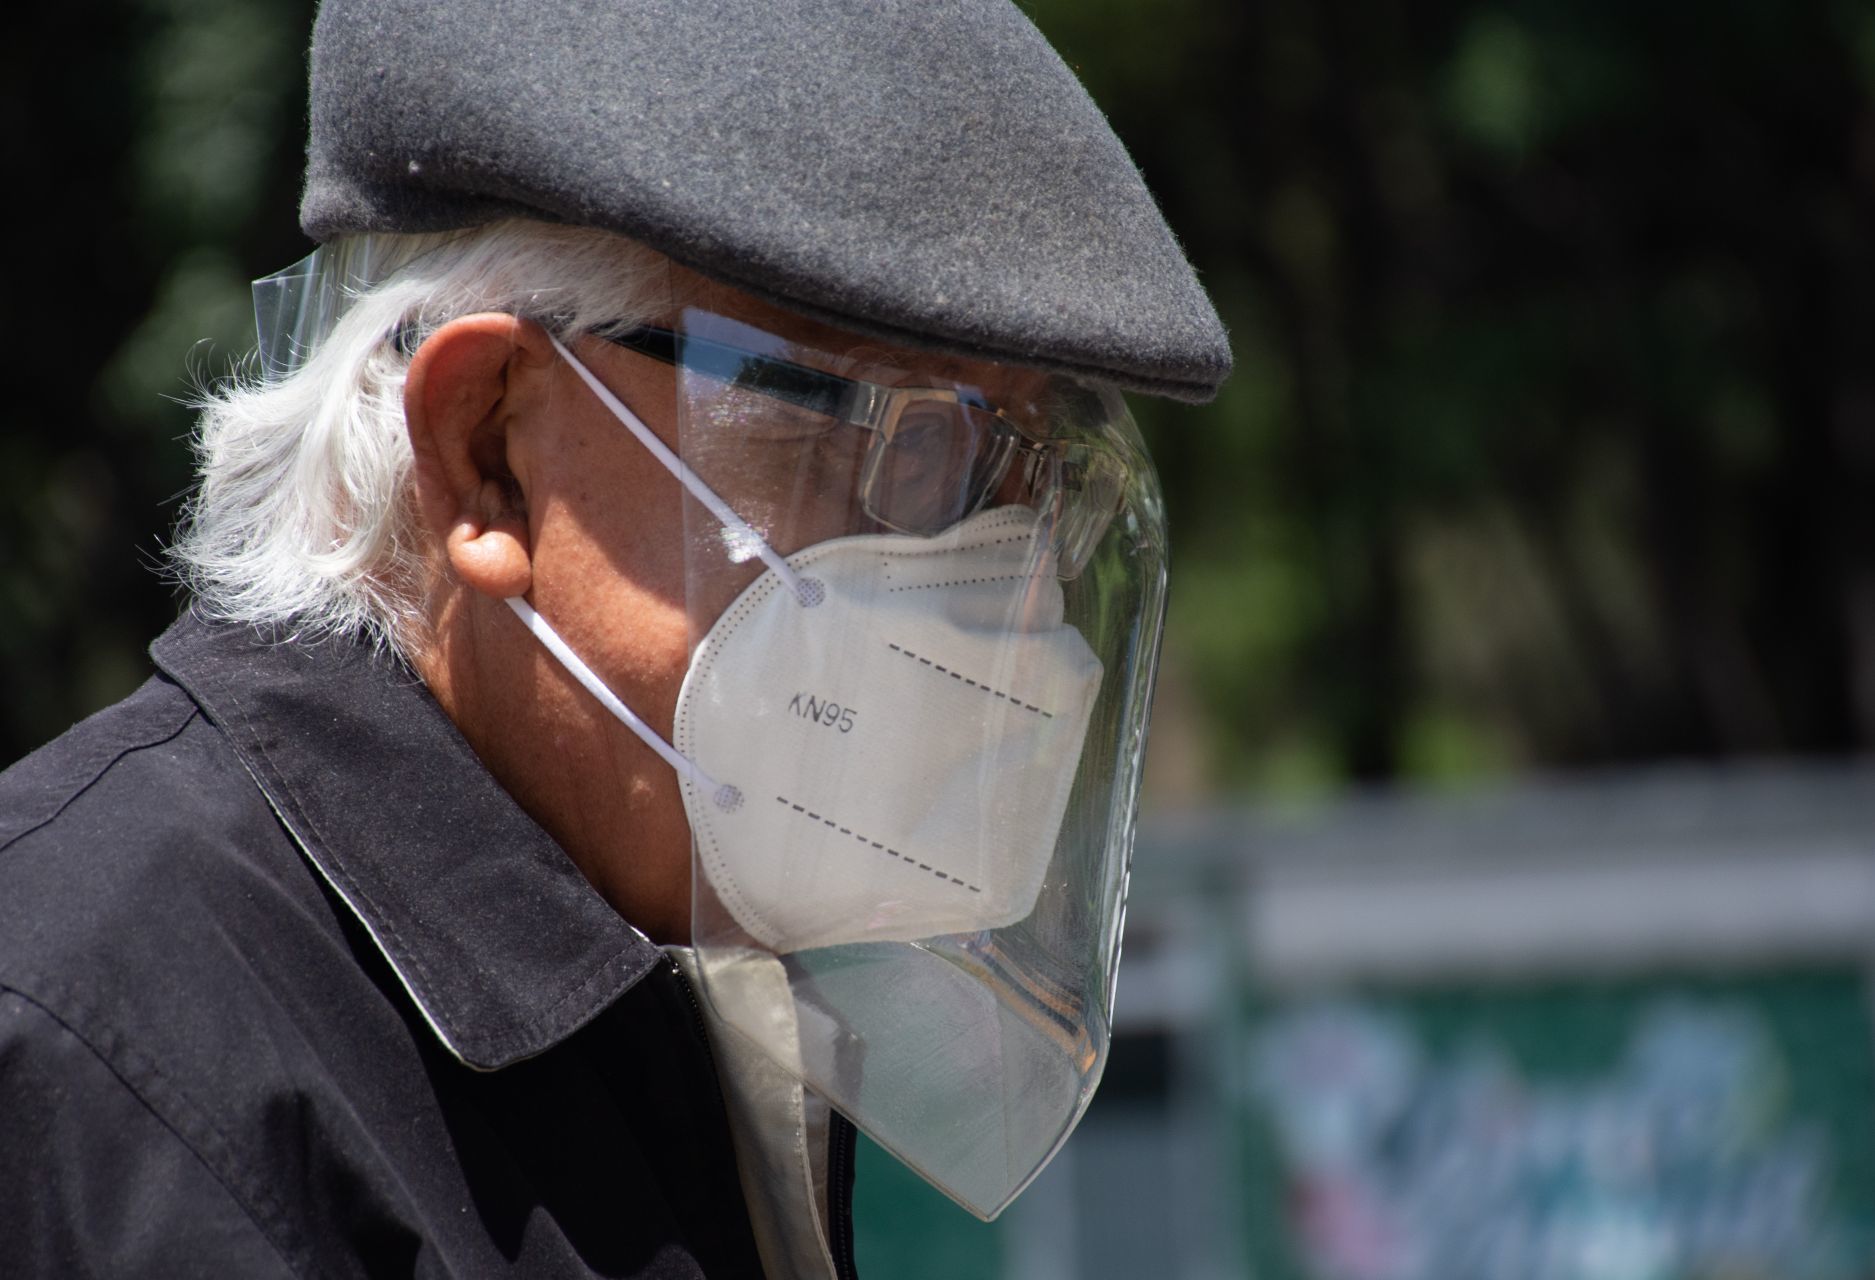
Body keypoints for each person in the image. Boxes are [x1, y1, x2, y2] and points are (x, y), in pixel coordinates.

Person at [0, 0, 1229, 1276]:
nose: (1002, 597)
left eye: (1039, 490)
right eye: (903, 447)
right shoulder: (77, 1066)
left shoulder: (676, 1006)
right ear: (488, 453)